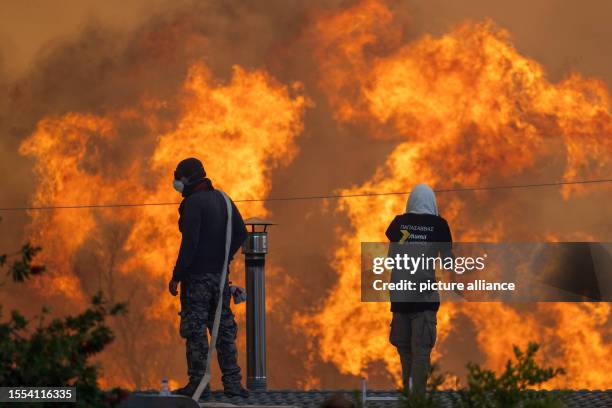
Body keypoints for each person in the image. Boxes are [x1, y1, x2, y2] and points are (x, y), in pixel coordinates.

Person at [168, 157, 249, 399]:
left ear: (189, 178)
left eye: (178, 176)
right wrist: (225, 258)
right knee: (223, 328)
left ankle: (198, 384)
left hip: (196, 279)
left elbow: (189, 244)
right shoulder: (224, 199)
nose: (176, 182)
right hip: (220, 277)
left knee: (195, 330)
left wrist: (177, 275)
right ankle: (233, 384)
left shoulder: (193, 204)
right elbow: (241, 233)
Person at [385, 183, 453, 395]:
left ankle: (408, 396)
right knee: (421, 352)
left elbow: (391, 259)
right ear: (432, 202)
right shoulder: (439, 225)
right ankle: (419, 400)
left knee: (405, 352)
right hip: (425, 301)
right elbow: (449, 262)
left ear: (411, 201)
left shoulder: (400, 224)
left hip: (400, 300)